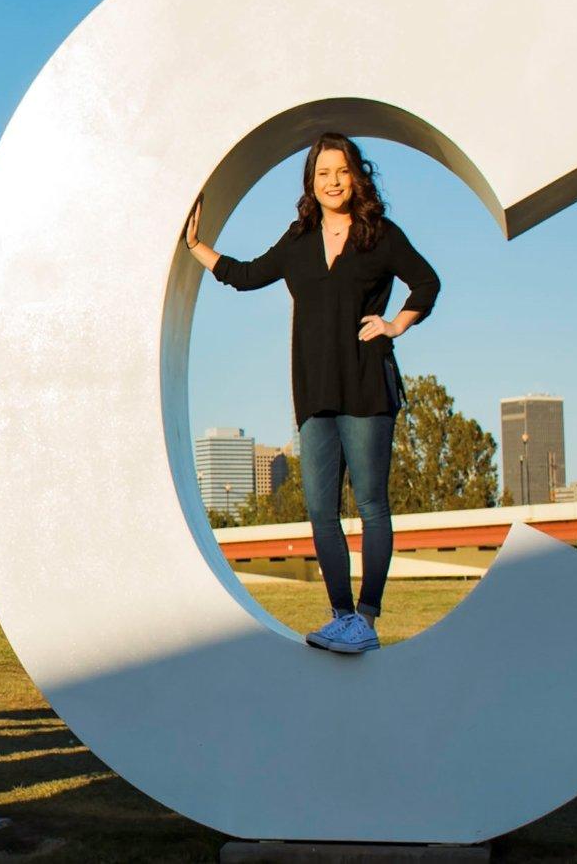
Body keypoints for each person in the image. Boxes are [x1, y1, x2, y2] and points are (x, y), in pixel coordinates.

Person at [185, 133, 439, 656]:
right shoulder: (299, 239)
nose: (333, 182)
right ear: (311, 182)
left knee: (370, 503)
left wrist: (395, 326)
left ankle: (367, 617)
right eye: (323, 174)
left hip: (368, 385)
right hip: (313, 391)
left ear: (356, 176)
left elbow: (427, 283)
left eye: (342, 172)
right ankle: (341, 616)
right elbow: (248, 275)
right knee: (321, 509)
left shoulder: (379, 234)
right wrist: (196, 248)